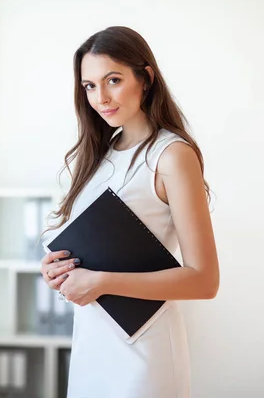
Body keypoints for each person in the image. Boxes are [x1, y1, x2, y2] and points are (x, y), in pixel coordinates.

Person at [40, 26, 220, 398]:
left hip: (144, 350)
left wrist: (102, 282)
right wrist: (57, 269)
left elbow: (204, 281)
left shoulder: (171, 156)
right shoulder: (99, 152)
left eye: (113, 80)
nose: (100, 97)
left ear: (146, 78)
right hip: (92, 342)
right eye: (89, 86)